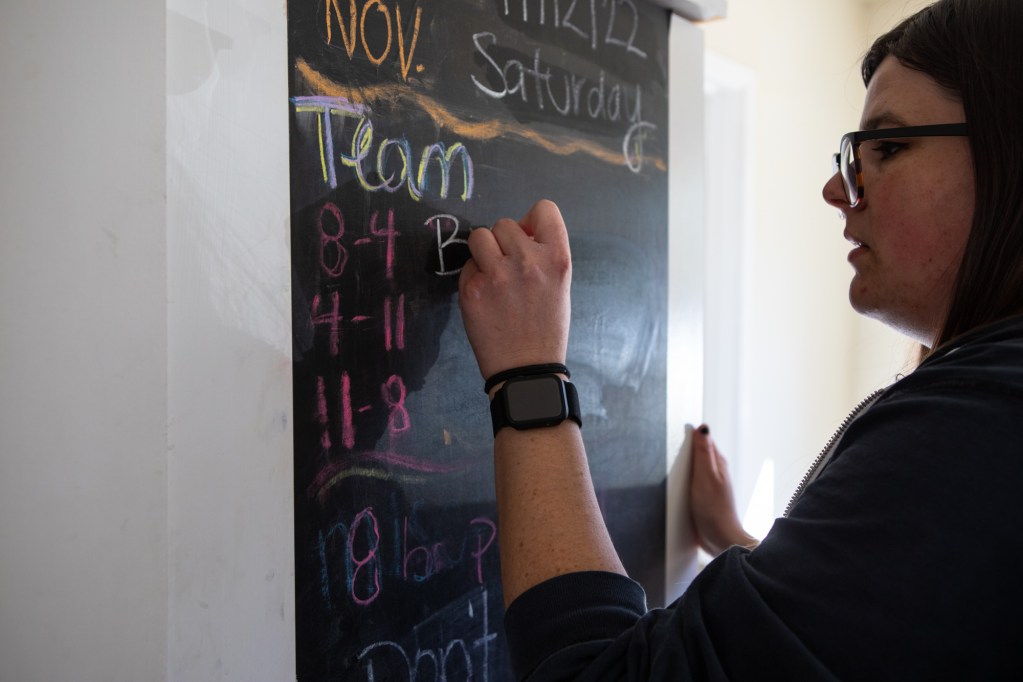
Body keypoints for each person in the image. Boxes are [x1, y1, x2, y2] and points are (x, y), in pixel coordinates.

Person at [457, 0, 1023, 678]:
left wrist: (527, 376)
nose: (837, 189)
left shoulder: (977, 429)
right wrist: (741, 546)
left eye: (889, 147)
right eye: (854, 153)